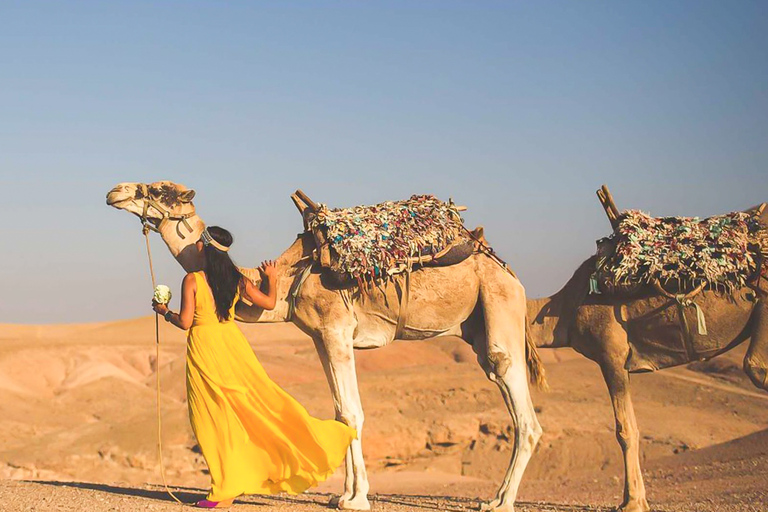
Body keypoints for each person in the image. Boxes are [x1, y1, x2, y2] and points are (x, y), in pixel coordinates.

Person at [152, 226, 356, 509]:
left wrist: (164, 312)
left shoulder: (192, 280)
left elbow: (186, 322)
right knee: (256, 406)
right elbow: (269, 303)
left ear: (205, 248)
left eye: (199, 241)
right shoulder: (237, 279)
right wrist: (271, 279)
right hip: (233, 346)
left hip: (205, 349)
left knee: (211, 420)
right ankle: (230, 485)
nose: (196, 245)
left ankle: (223, 489)